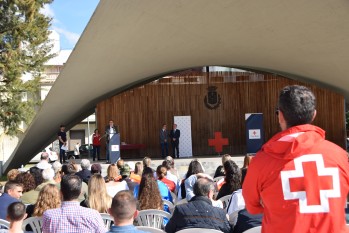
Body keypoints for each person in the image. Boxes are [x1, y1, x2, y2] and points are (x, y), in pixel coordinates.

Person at [243, 85, 349, 233]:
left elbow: (252, 206)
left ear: (280, 116)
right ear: (314, 115)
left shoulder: (262, 161)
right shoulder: (340, 155)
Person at [165, 178, 231, 233]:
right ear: (209, 193)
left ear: (194, 191)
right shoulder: (220, 213)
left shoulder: (180, 210)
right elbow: (229, 231)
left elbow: (168, 230)